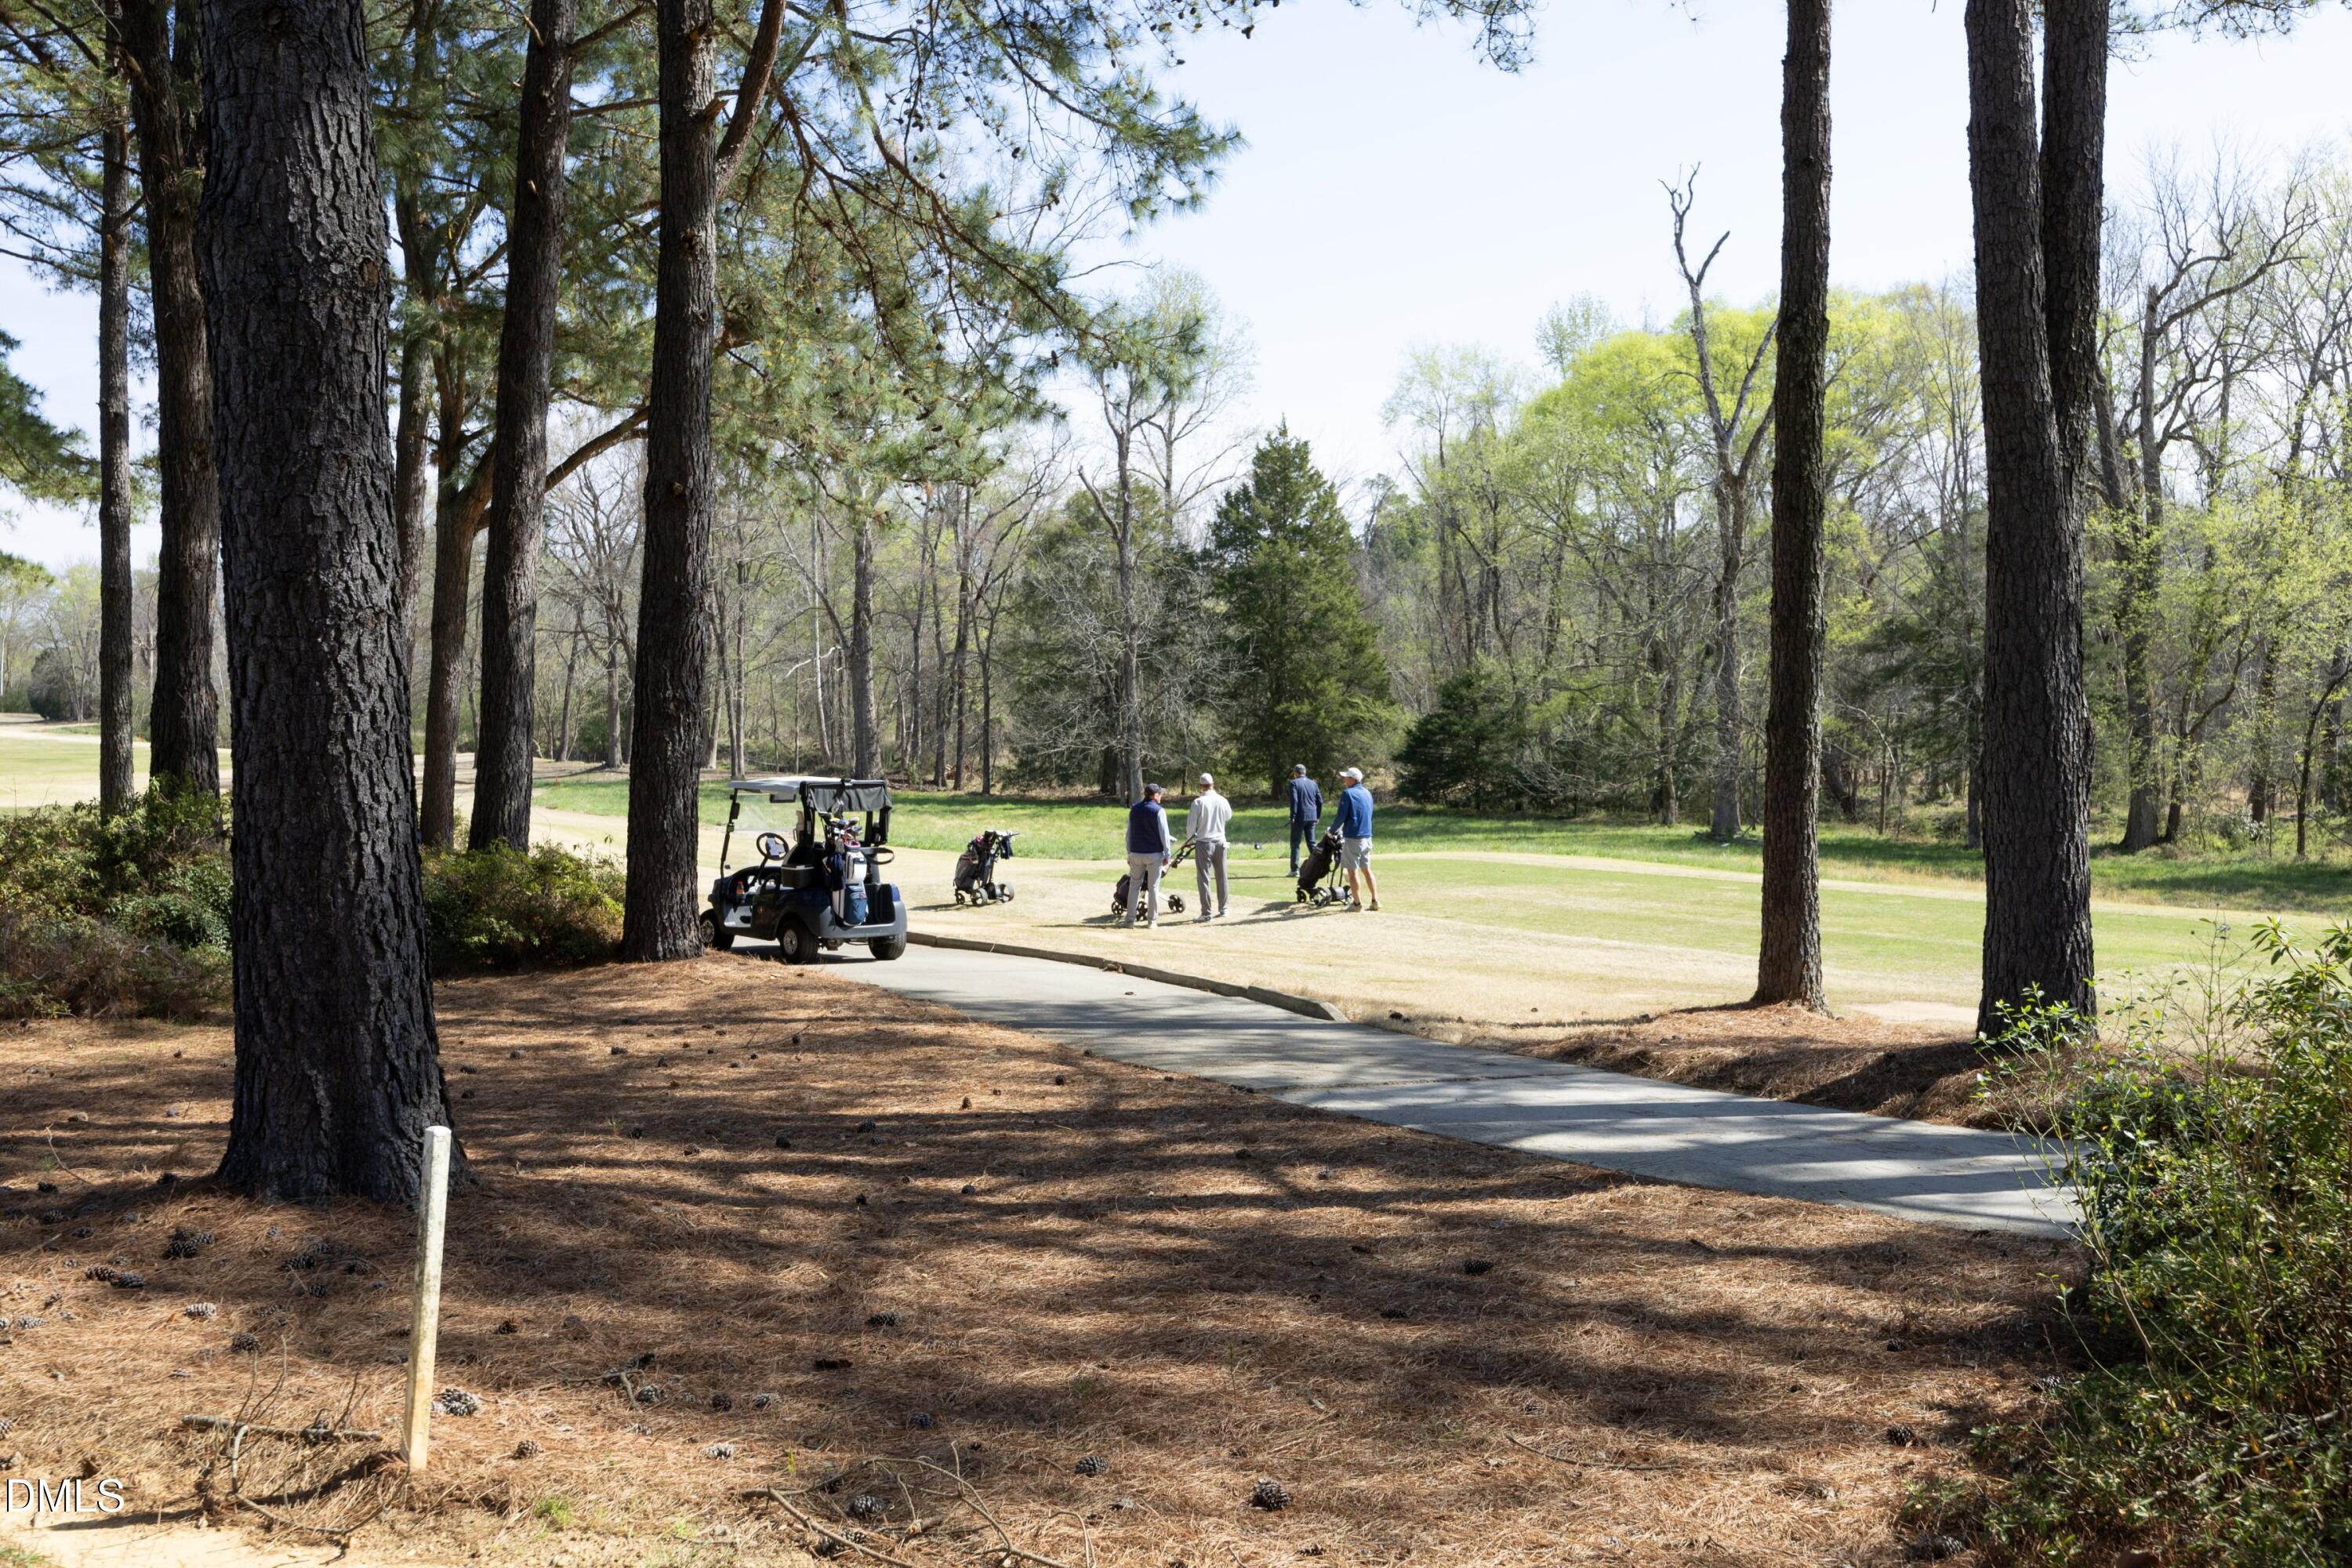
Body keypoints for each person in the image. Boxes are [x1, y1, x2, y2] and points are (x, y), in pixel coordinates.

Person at [1121, 782, 1174, 928]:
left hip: (1136, 853)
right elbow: (1165, 835)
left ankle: (1130, 920)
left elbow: (1129, 834)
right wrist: (1167, 855)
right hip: (1154, 854)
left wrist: (1129, 852)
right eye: (1160, 793)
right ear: (1155, 795)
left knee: (1134, 886)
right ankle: (1152, 921)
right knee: (1153, 887)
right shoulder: (1159, 811)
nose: (1162, 795)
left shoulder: (1134, 809)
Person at [1186, 772, 1232, 920]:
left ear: (1201, 786)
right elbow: (1228, 817)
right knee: (1222, 876)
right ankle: (1224, 909)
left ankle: (1206, 913)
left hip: (1204, 842)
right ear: (1213, 784)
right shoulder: (1222, 800)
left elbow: (1191, 826)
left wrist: (1189, 840)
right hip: (1220, 842)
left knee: (1204, 878)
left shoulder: (1198, 802)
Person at [1334, 766, 1379, 911]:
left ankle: (1357, 904)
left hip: (1353, 837)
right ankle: (1375, 900)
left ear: (1353, 779)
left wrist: (1332, 831)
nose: (1344, 779)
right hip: (1367, 836)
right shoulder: (1367, 793)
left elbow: (1341, 816)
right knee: (1366, 869)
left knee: (1352, 871)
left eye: (1346, 777)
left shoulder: (1348, 793)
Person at [1286, 763, 1323, 875]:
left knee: (1295, 843)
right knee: (1311, 842)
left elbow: (1295, 801)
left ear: (1296, 773)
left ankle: (1294, 870)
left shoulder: (1294, 783)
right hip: (1312, 816)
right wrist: (1318, 816)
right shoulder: (1313, 784)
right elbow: (1320, 801)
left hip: (1299, 817)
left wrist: (1293, 816)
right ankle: (1319, 866)